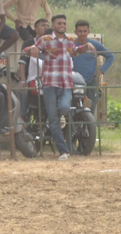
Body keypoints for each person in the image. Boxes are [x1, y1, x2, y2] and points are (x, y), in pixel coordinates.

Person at [28, 14, 91, 158]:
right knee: (53, 119)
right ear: (53, 25)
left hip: (66, 83)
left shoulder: (70, 40)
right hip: (50, 83)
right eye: (59, 23)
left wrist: (86, 46)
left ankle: (59, 119)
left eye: (64, 23)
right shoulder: (45, 39)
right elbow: (30, 50)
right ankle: (64, 151)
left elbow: (75, 51)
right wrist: (32, 48)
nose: (62, 25)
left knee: (64, 108)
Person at [70, 19, 111, 114]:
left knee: (90, 110)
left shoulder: (95, 45)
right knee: (72, 110)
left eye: (85, 31)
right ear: (75, 32)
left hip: (90, 82)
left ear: (88, 32)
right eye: (80, 31)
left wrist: (101, 70)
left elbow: (110, 56)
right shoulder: (71, 45)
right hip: (74, 83)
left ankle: (89, 124)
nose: (82, 33)